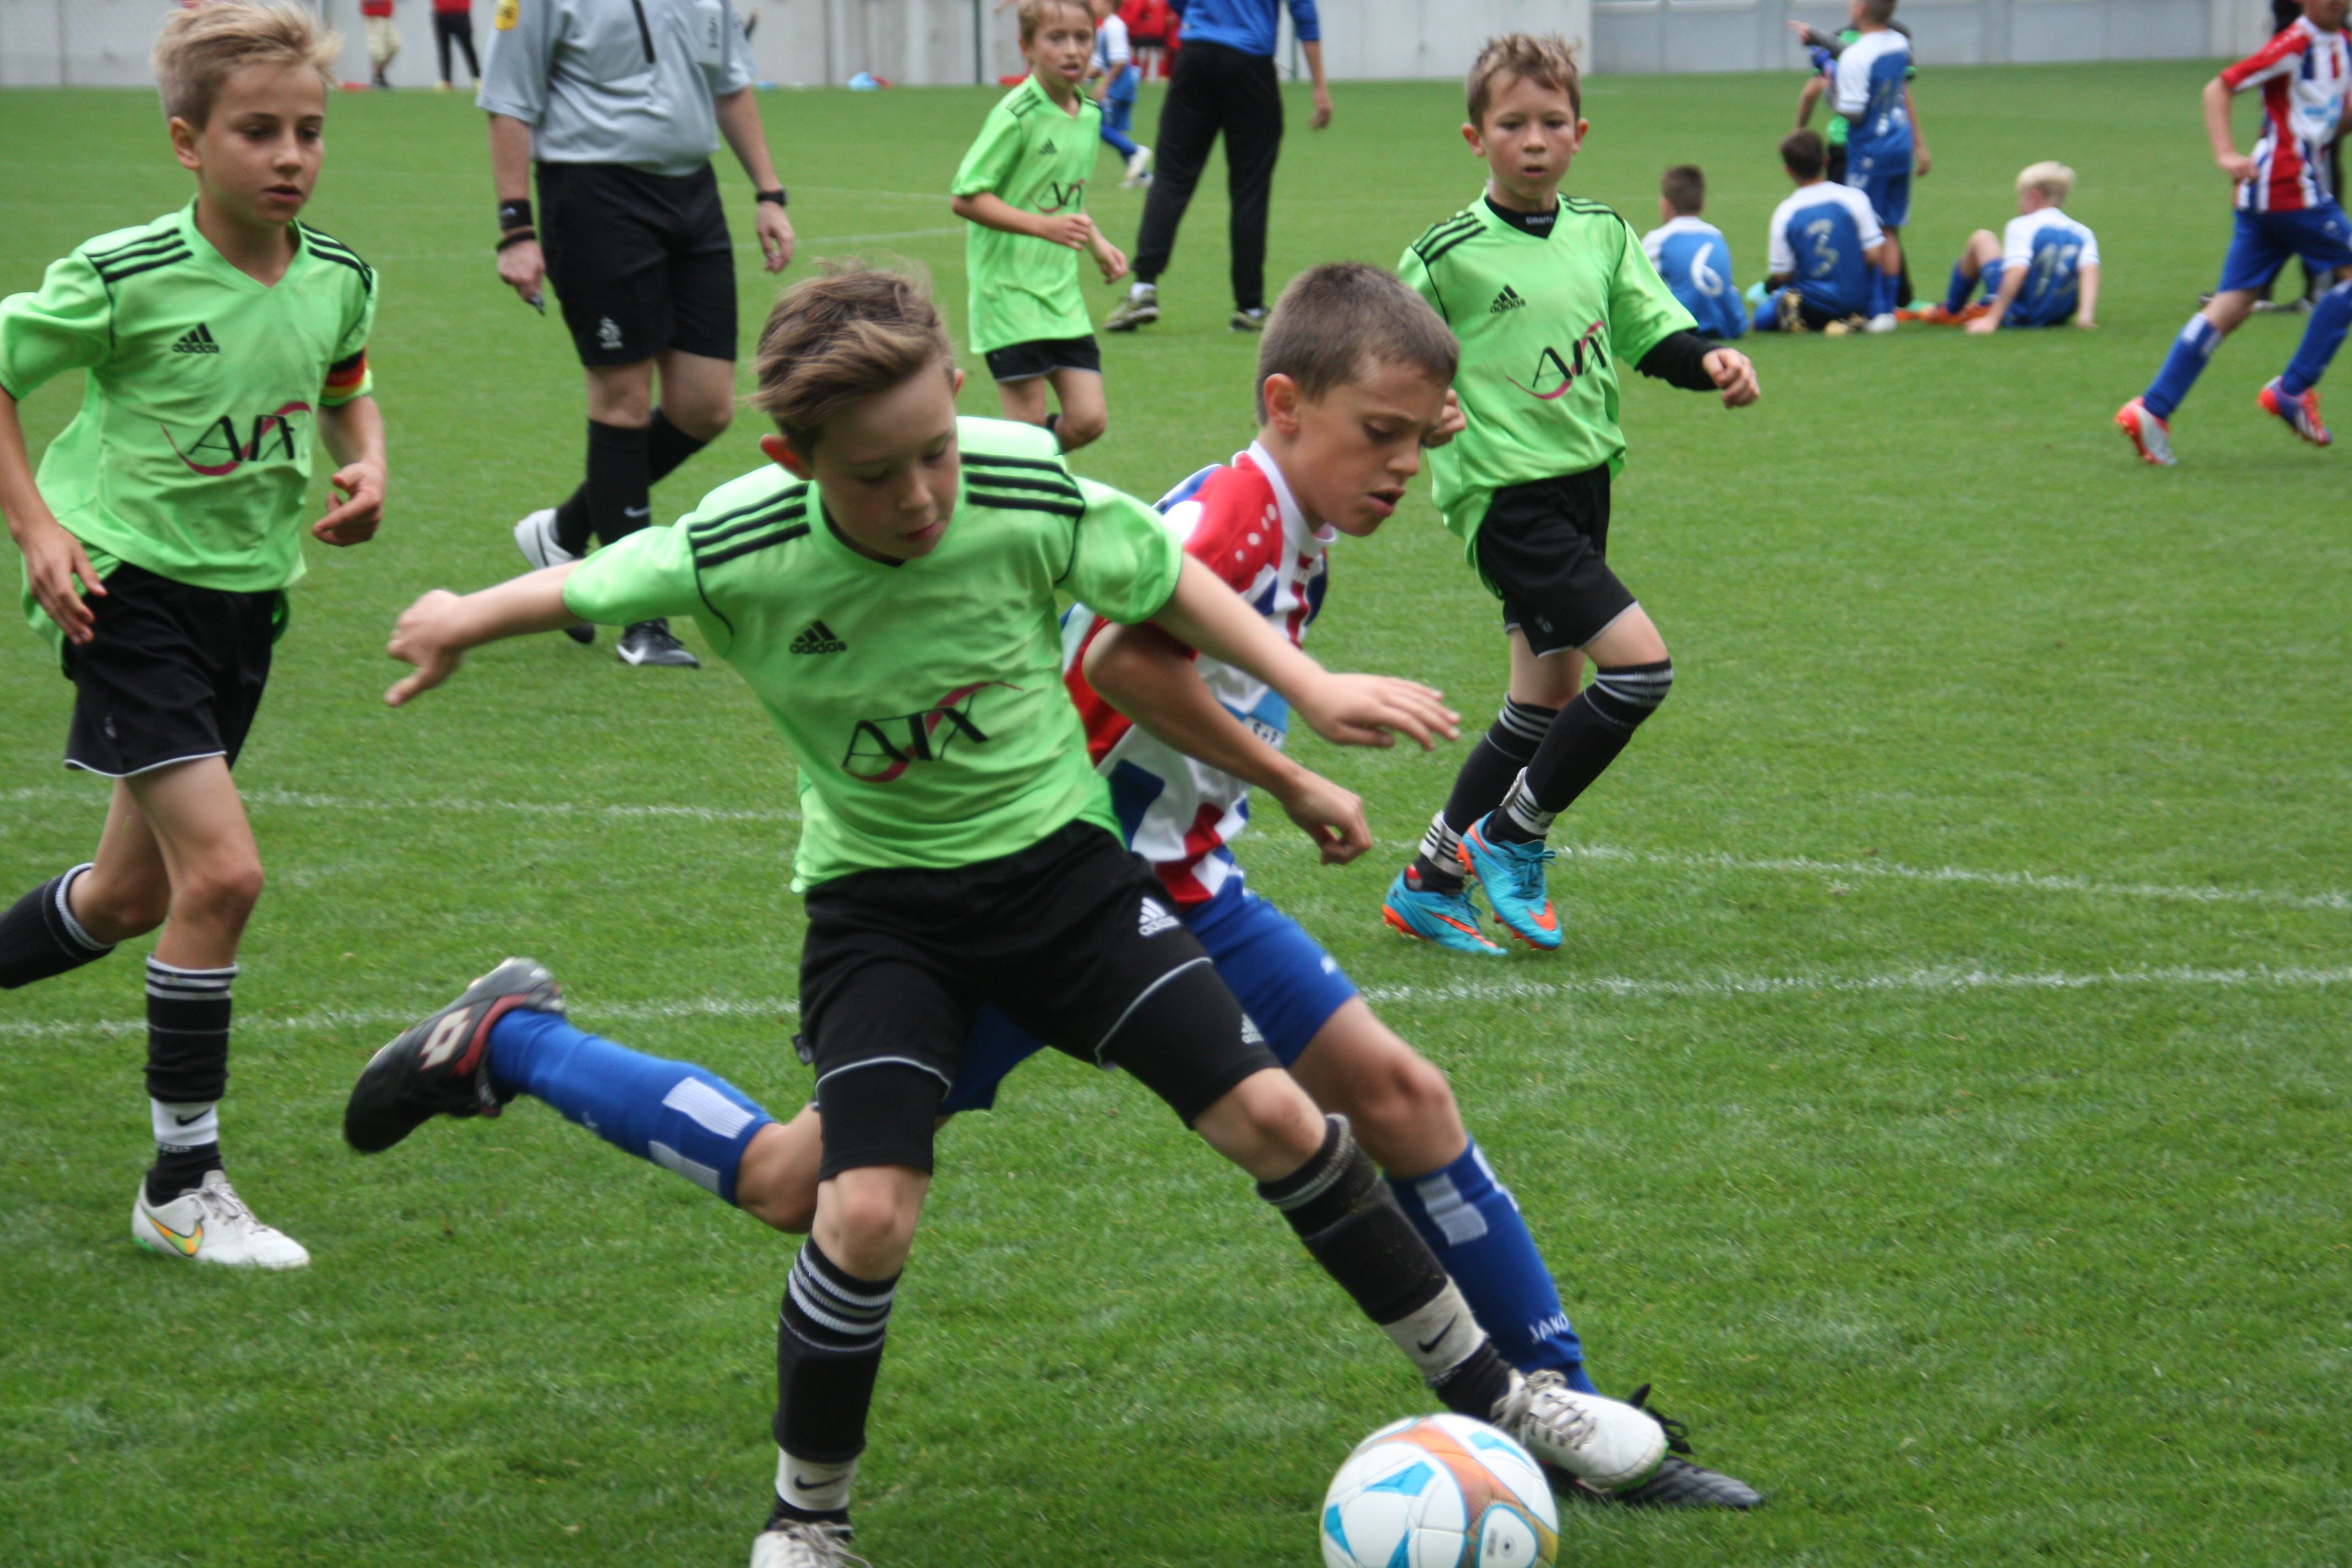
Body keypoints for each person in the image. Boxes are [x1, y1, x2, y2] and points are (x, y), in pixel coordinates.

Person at [357, 265, 1676, 1566]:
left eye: (936, 449)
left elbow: (1148, 576)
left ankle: (1517, 1398)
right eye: (876, 473)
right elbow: (594, 582)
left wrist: (1308, 695)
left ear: (958, 402)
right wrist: (461, 615)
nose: (921, 495)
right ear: (794, 462)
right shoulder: (745, 540)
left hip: (1084, 882)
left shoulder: (1022, 479)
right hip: (903, 912)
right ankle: (530, 1074)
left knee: (1329, 1108)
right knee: (822, 1195)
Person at [0, 1, 384, 1268]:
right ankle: (181, 1185)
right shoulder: (125, 274)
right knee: (223, 876)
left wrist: (368, 463)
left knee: (130, 895)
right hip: (126, 592)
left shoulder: (339, 276)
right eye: (257, 131)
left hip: (246, 602)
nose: (290, 155)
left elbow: (346, 385)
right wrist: (38, 527)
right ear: (187, 142)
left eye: (309, 131)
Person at [1378, 34, 1760, 956]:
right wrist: (1422, 412)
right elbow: (1386, 356)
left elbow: (1649, 331)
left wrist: (1708, 359)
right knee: (1639, 671)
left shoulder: (1602, 231)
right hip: (1506, 498)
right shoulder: (1447, 254)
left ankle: (1429, 882)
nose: (1534, 140)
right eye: (1512, 124)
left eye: (1552, 122)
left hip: (1585, 486)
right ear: (1476, 138)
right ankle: (1512, 835)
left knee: (1543, 701)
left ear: (1579, 133)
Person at [480, 0, 794, 666]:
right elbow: (508, 101)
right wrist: (516, 228)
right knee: (621, 399)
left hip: (693, 195)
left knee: (705, 407)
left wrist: (769, 193)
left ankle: (563, 532)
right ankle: (640, 616)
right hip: (594, 195)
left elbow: (730, 83)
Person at [2117, 0, 2352, 465]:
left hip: (2266, 191)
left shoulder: (2343, 44)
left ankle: (2153, 409)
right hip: (2290, 186)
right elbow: (2220, 87)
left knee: (2235, 303)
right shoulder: (2293, 44)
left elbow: (2331, 120)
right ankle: (2293, 389)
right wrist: (2225, 153)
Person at [951, 0, 1129, 453]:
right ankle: (1021, 477)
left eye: (1082, 38)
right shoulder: (1016, 114)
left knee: (1089, 420)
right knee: (1028, 429)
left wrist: (1096, 242)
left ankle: (1004, 465)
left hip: (1060, 295)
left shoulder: (1088, 116)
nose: (1072, 50)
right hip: (1007, 295)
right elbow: (965, 197)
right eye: (1056, 38)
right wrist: (1041, 227)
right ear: (1027, 47)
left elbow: (1067, 195)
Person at [1102, 0, 1331, 334]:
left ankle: (1143, 288)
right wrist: (1319, 87)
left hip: (1195, 57)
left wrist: (1207, 21)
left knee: (1171, 177)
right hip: (1250, 65)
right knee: (1249, 190)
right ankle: (1249, 306)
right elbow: (1305, 15)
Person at [1829, 0, 1928, 329]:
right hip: (1899, 142)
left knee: (1866, 228)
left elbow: (1854, 112)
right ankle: (1887, 307)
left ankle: (1876, 309)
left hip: (1872, 149)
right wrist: (1920, 145)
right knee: (1890, 228)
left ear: (1860, 9)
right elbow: (1900, 91)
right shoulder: (1899, 43)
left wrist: (1833, 91)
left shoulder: (1856, 56)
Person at [1920, 161, 2099, 333]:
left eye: (2021, 195)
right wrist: (2085, 317)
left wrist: (1992, 320)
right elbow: (2090, 271)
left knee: (1982, 238)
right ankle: (1980, 305)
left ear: (2034, 197)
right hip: (2057, 317)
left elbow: (2017, 271)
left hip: (2017, 314)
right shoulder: (2083, 232)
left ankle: (1951, 310)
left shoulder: (2022, 225)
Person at [1755, 129, 1886, 332]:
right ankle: (1863, 316)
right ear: (1826, 160)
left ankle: (1805, 315)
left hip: (1814, 303)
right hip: (1857, 298)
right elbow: (1875, 254)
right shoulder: (1855, 198)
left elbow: (1782, 274)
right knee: (1872, 268)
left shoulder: (1786, 212)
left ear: (1788, 171)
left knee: (1763, 316)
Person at [1641, 165, 1746, 341]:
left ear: (1665, 204)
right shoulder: (1716, 236)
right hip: (1727, 326)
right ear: (1703, 205)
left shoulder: (1657, 240)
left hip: (1680, 328)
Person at [1091, 0, 1153, 186]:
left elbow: (1119, 60)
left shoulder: (1114, 26)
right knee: (1115, 131)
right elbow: (1098, 63)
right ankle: (1143, 177)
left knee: (1102, 128)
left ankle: (1136, 151)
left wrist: (1104, 85)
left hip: (1118, 87)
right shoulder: (1107, 27)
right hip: (1119, 86)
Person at [432, 0, 479, 90]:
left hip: (461, 11)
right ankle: (446, 80)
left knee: (468, 47)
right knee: (444, 48)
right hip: (441, 12)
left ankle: (477, 77)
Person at [361, 0, 398, 88]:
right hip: (373, 16)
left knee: (394, 46)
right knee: (378, 52)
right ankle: (377, 78)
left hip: (386, 15)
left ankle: (378, 74)